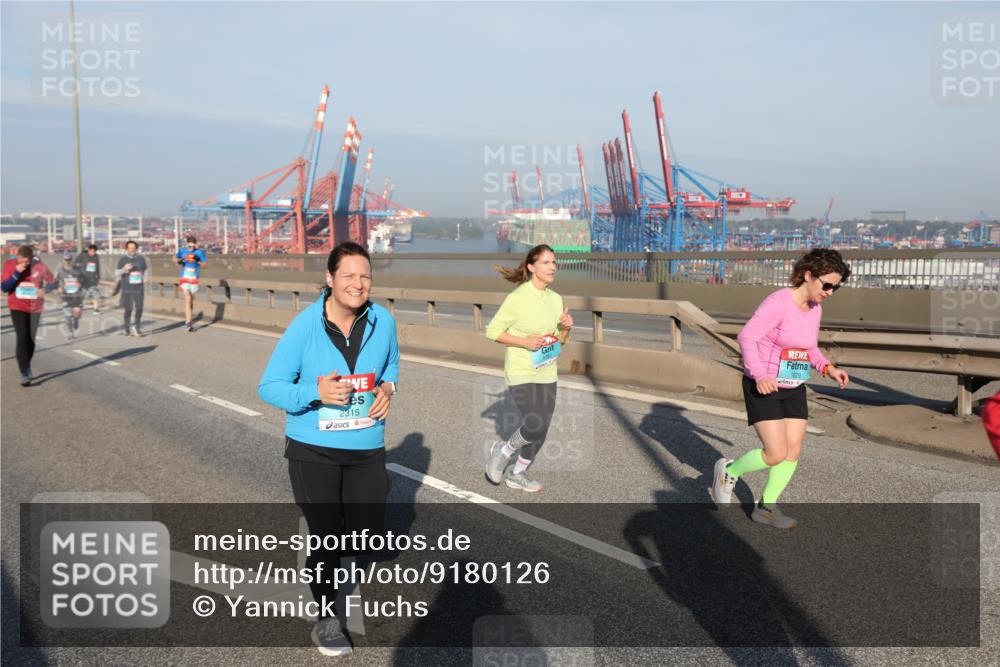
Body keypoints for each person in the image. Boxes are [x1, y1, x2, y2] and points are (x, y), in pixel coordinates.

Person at [258, 241, 399, 656]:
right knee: (328, 539)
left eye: (365, 276)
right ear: (330, 279)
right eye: (349, 276)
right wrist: (314, 392)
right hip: (312, 447)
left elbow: (391, 365)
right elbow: (269, 387)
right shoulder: (305, 326)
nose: (358, 284)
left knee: (368, 536)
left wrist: (389, 387)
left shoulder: (384, 321)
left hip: (366, 445)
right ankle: (326, 617)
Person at [710, 248, 851, 529]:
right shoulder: (779, 302)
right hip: (764, 385)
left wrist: (827, 368)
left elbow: (808, 347)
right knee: (774, 453)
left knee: (792, 452)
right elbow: (747, 337)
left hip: (793, 385)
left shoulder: (815, 309)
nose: (830, 292)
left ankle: (766, 507)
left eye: (836, 287)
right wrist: (760, 374)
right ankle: (728, 471)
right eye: (827, 285)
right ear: (808, 276)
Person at [484, 244, 573, 493]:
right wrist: (524, 342)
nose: (552, 267)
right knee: (534, 424)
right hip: (521, 369)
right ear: (532, 267)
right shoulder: (518, 298)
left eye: (554, 262)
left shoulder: (556, 299)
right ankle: (502, 452)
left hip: (547, 370)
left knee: (542, 427)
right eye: (546, 262)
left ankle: (518, 473)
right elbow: (492, 331)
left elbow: (559, 341)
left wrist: (566, 327)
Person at [1, 245, 57, 385]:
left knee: (30, 341)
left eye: (27, 262)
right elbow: (4, 287)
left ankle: (27, 365)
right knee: (22, 338)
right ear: (18, 257)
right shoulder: (10, 264)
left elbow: (54, 283)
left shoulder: (39, 266)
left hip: (35, 308)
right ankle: (24, 372)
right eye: (22, 261)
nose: (25, 264)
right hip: (17, 306)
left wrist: (45, 288)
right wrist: (16, 273)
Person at [116, 240, 148, 336]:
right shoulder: (122, 259)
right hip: (127, 288)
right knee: (128, 309)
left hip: (139, 287)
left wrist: (145, 278)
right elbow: (116, 273)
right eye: (130, 248)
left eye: (134, 248)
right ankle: (126, 328)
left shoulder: (141, 259)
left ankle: (136, 326)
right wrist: (124, 269)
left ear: (136, 249)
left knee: (139, 307)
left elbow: (145, 269)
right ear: (127, 249)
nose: (132, 250)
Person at [175, 235, 207, 332]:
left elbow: (205, 265)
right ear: (187, 243)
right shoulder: (183, 251)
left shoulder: (199, 252)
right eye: (189, 243)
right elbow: (174, 258)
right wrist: (179, 261)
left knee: (191, 300)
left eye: (192, 243)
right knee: (188, 298)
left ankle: (189, 319)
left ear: (195, 244)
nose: (191, 245)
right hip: (184, 277)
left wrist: (198, 261)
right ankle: (188, 323)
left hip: (194, 278)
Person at [55, 252, 85, 339]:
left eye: (69, 259)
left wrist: (81, 284)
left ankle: (76, 320)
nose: (67, 261)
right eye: (66, 259)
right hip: (65, 296)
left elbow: (85, 279)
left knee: (77, 313)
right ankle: (70, 332)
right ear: (63, 260)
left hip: (77, 296)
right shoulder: (59, 271)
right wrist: (58, 288)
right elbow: (54, 282)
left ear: (72, 260)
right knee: (68, 316)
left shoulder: (78, 270)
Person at [73, 243, 103, 313]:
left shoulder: (96, 257)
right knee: (82, 293)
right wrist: (79, 272)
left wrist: (98, 276)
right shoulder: (83, 255)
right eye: (91, 251)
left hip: (92, 278)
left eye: (94, 251)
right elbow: (75, 263)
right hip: (83, 278)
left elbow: (97, 267)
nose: (93, 253)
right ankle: (79, 305)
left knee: (94, 293)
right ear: (88, 250)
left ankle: (96, 309)